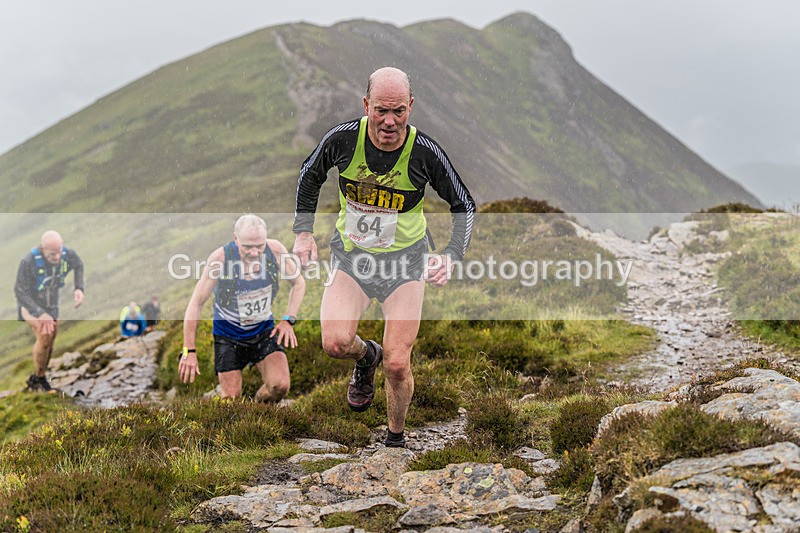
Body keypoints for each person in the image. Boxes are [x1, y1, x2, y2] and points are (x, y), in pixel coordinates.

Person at [292, 67, 475, 447]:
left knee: (397, 362)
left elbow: (464, 204)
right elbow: (310, 175)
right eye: (380, 111)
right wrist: (304, 232)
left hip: (406, 264)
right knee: (335, 343)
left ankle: (395, 438)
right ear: (366, 106)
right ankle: (365, 357)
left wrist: (451, 254)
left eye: (398, 112)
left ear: (410, 107)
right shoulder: (343, 139)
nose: (389, 121)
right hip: (353, 260)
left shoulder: (425, 153)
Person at [179, 214, 306, 402]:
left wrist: (289, 319)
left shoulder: (275, 251)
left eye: (259, 246)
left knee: (280, 387)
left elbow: (299, 283)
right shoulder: (220, 259)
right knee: (231, 399)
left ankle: (258, 409)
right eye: (247, 246)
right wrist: (189, 350)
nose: (254, 252)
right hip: (229, 337)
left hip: (263, 332)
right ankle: (226, 400)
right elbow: (196, 303)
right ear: (235, 239)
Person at [14, 230, 85, 392]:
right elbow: (20, 292)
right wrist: (40, 313)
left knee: (51, 339)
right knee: (44, 335)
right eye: (52, 254)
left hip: (51, 305)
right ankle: (38, 379)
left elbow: (78, 265)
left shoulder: (66, 254)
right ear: (42, 249)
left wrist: (78, 288)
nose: (57, 257)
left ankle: (39, 376)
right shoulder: (28, 262)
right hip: (30, 306)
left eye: (59, 252)